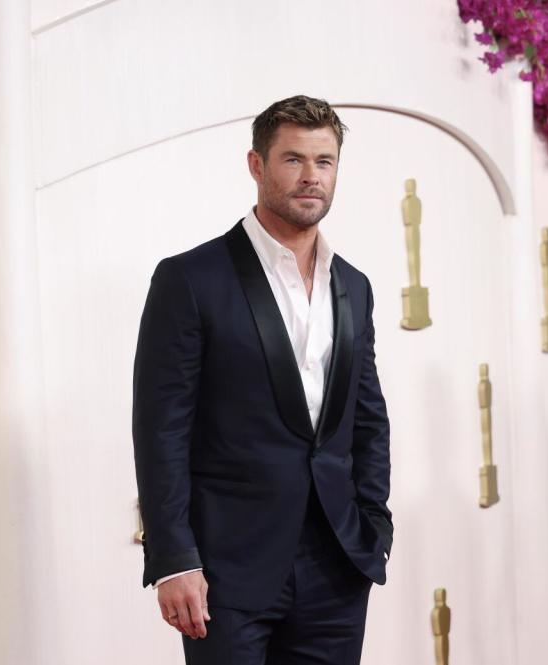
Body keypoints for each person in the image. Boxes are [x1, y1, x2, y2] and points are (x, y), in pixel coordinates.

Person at [132, 95, 392, 664]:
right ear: (257, 165)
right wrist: (174, 557)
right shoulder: (191, 279)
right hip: (227, 567)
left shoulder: (355, 286)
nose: (310, 177)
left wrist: (374, 525)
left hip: (337, 564)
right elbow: (161, 431)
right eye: (293, 159)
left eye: (324, 162)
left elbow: (367, 418)